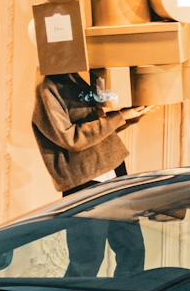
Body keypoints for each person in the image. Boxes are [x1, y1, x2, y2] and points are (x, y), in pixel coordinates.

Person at [31, 72, 150, 277]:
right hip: (85, 182)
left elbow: (96, 129)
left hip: (114, 172)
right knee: (87, 260)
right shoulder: (48, 88)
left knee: (133, 250)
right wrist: (119, 117)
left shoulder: (72, 78)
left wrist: (128, 116)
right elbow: (72, 139)